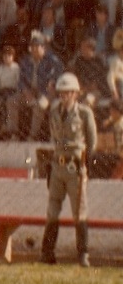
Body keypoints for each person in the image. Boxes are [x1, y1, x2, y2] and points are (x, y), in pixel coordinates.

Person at [41, 73, 98, 267]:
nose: (64, 97)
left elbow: (92, 141)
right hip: (58, 165)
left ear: (76, 94)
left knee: (79, 211)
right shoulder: (55, 111)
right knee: (52, 209)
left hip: (75, 166)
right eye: (61, 93)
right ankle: (47, 253)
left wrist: (82, 160)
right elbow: (53, 134)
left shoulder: (83, 113)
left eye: (68, 93)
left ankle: (83, 254)